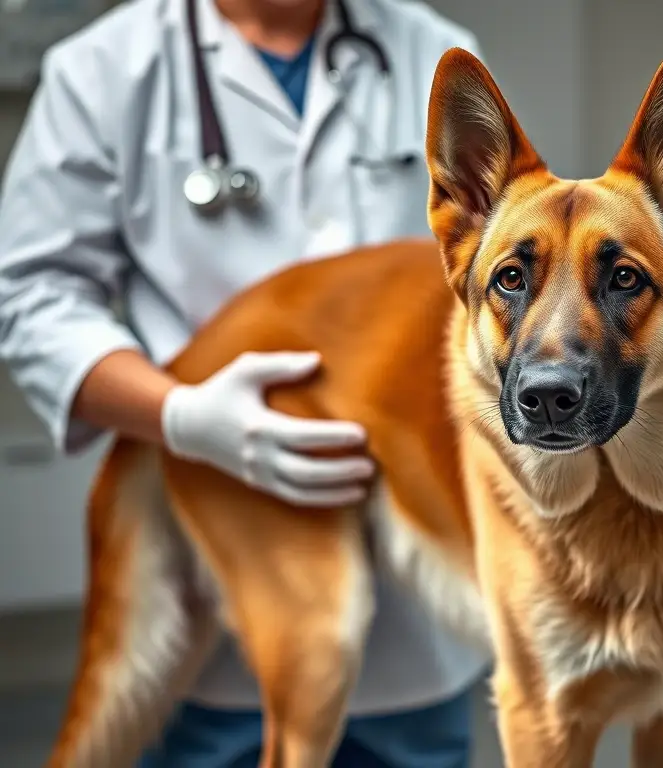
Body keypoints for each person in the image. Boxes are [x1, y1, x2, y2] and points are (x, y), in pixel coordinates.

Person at [0, 0, 491, 765]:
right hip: (216, 560)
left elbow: (496, 276)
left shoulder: (435, 51)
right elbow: (33, 298)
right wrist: (182, 416)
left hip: (419, 595)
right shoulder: (104, 70)